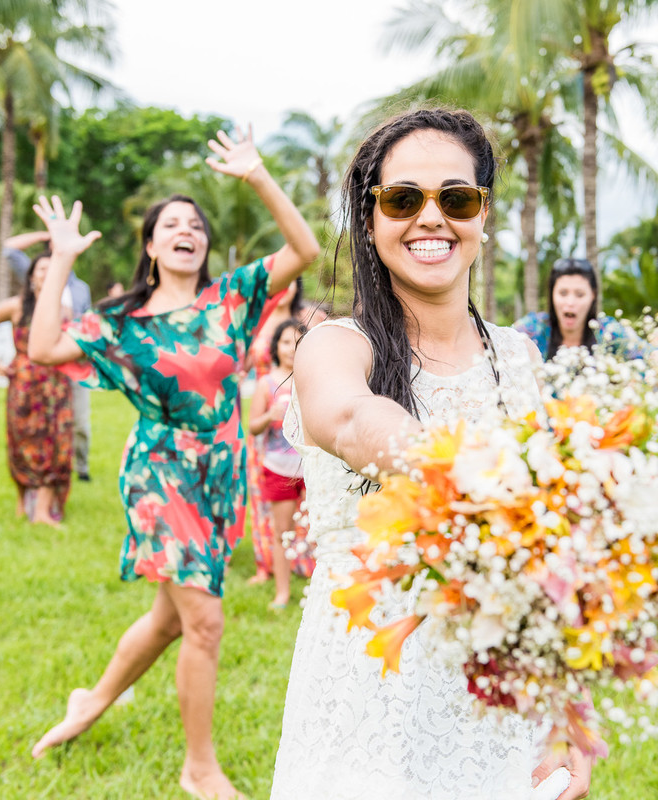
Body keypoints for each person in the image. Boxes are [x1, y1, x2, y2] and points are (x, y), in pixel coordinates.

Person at [270, 108, 592, 800]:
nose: (431, 218)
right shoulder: (336, 344)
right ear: (369, 217)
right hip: (368, 686)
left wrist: (570, 716)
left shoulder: (522, 359)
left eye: (456, 198)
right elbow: (352, 420)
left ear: (483, 214)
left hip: (498, 690)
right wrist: (483, 480)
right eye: (403, 198)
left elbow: (555, 556)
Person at [25, 127, 321, 800]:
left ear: (204, 244)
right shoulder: (123, 325)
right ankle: (199, 767)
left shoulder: (233, 300)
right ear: (152, 246)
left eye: (196, 224)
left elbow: (302, 250)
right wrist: (64, 259)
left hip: (219, 474)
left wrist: (257, 176)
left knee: (170, 617)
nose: (186, 230)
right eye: (171, 224)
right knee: (206, 620)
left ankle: (91, 700)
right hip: (160, 474)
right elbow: (44, 346)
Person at [0, 251, 73, 526]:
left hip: (55, 386)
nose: (46, 273)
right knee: (22, 442)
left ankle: (42, 511)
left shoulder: (64, 311)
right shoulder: (16, 306)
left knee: (54, 443)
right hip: (24, 383)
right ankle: (22, 502)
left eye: (51, 269)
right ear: (31, 277)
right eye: (41, 269)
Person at [244, 276, 324, 587]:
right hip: (268, 410)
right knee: (266, 496)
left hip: (302, 406)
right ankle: (268, 562)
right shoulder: (256, 321)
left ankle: (305, 561)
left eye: (290, 281)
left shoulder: (309, 317)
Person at [6, 231, 94, 482]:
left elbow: (87, 325)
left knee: (78, 422)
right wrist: (48, 233)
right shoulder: (38, 272)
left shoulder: (79, 289)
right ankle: (41, 476)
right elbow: (9, 248)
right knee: (41, 426)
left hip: (72, 366)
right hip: (39, 370)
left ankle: (79, 467)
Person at [247, 318, 307, 610]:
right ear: (276, 346)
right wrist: (269, 415)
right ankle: (282, 593)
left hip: (311, 469)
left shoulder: (313, 381)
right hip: (279, 469)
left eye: (298, 342)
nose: (291, 349)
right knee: (282, 533)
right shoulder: (267, 383)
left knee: (322, 530)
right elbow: (252, 426)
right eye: (285, 341)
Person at [512, 257, 640, 361]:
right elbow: (497, 344)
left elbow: (647, 356)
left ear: (593, 295)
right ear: (552, 294)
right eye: (563, 293)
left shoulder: (609, 332)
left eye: (580, 294)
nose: (570, 302)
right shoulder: (532, 329)